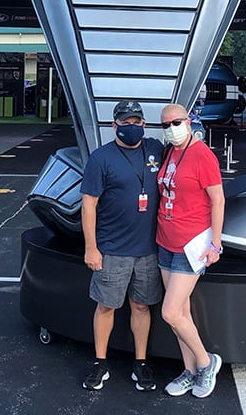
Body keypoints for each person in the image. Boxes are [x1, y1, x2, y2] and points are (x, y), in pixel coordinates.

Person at [80, 100, 165, 392]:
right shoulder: (100, 158)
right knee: (106, 306)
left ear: (144, 124)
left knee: (141, 306)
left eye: (136, 122)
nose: (132, 127)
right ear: (114, 125)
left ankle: (140, 362)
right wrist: (91, 247)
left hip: (148, 249)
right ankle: (99, 362)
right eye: (125, 122)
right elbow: (88, 204)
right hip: (112, 248)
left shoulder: (155, 149)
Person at [156, 103, 225, 398]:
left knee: (170, 312)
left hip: (191, 244)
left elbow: (218, 200)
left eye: (176, 122)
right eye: (165, 125)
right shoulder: (170, 152)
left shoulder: (202, 155)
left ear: (188, 120)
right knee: (181, 312)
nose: (171, 128)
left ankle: (206, 362)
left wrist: (215, 243)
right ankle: (189, 370)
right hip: (165, 240)